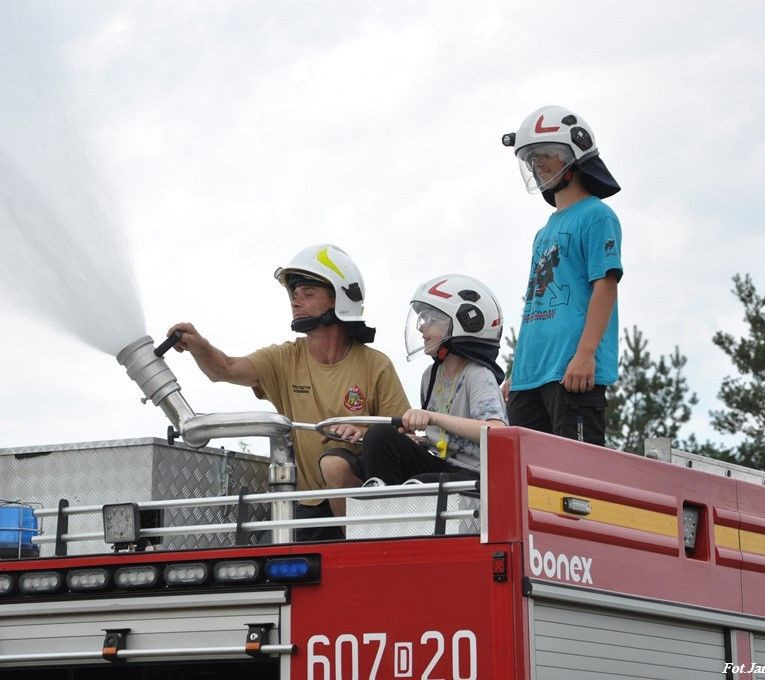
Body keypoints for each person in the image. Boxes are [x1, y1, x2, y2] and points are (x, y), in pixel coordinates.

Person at [168, 244, 411, 539]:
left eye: (308, 294)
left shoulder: (376, 365)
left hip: (367, 508)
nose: (296, 301)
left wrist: (364, 430)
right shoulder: (283, 359)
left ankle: (357, 549)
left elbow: (405, 439)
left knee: (335, 466)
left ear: (342, 301)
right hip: (306, 506)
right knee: (266, 565)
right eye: (294, 294)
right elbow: (225, 368)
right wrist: (198, 345)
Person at [500, 105, 623, 446]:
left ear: (575, 156)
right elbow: (534, 304)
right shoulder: (544, 231)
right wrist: (517, 371)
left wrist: (585, 355)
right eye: (532, 158)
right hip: (530, 376)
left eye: (545, 155)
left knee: (576, 481)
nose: (537, 165)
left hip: (571, 371)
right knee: (522, 479)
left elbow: (605, 286)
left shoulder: (598, 215)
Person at [324, 274, 508, 487]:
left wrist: (432, 417)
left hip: (476, 477)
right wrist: (417, 440)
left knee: (418, 483)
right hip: (443, 467)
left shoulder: (477, 374)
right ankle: (380, 511)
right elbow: (440, 442)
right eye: (422, 319)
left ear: (465, 323)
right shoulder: (430, 376)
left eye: (431, 319)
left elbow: (496, 433)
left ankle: (393, 512)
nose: (422, 327)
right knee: (380, 436)